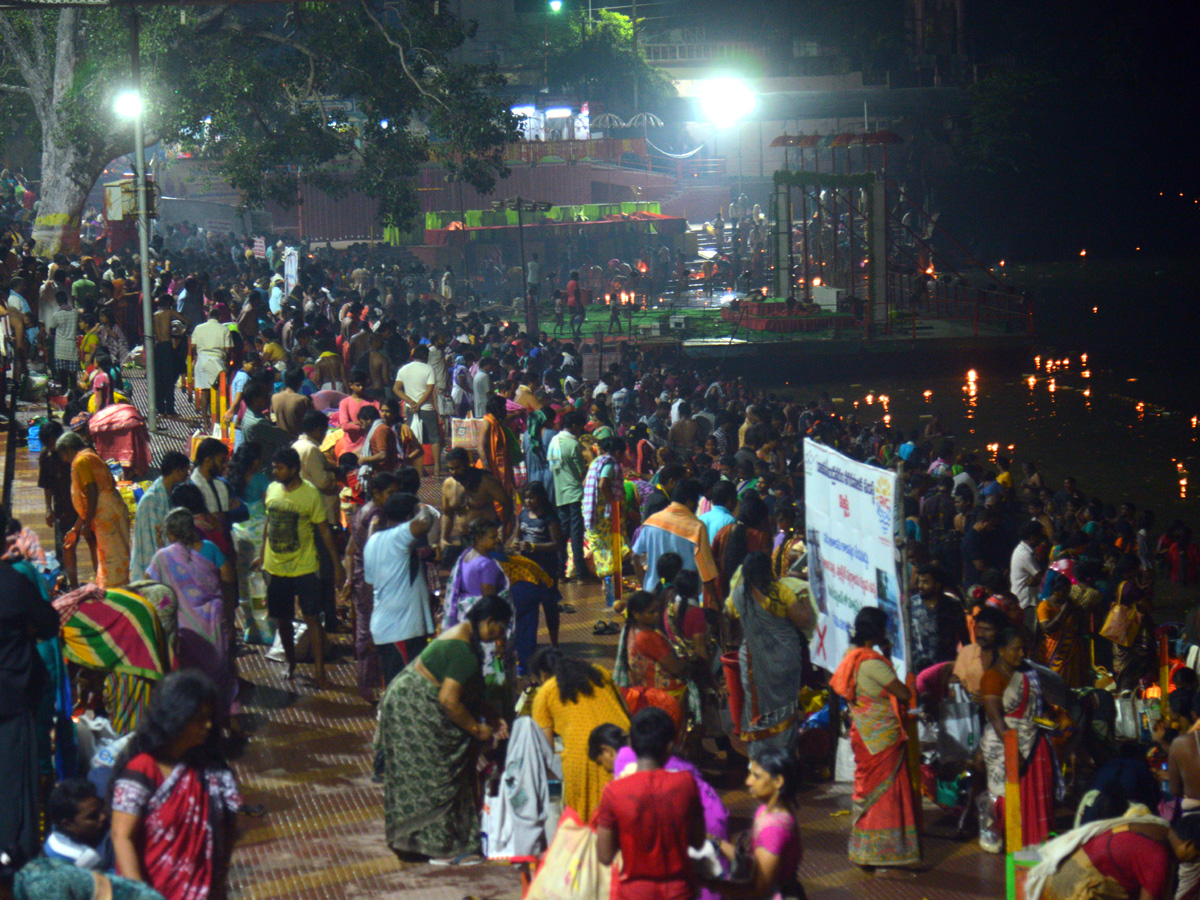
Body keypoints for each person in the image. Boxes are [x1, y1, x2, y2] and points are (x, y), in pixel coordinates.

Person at [375, 594, 512, 864]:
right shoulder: (463, 650)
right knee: (436, 773)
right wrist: (476, 729)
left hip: (411, 699)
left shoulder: (466, 637)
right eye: (501, 627)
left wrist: (491, 715)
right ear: (489, 621)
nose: (501, 635)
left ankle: (429, 842)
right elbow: (449, 700)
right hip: (412, 707)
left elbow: (466, 692)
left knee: (431, 772)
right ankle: (437, 844)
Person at [110, 670, 242, 900]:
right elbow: (122, 836)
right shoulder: (143, 770)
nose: (208, 725)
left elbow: (228, 829)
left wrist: (219, 880)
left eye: (210, 717)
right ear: (175, 717)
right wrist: (139, 893)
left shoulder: (213, 771)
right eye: (199, 719)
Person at [829, 607, 921, 875]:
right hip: (883, 739)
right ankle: (886, 852)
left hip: (863, 734)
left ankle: (864, 851)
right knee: (887, 794)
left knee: (868, 791)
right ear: (879, 632)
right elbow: (902, 692)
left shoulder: (851, 657)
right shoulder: (873, 663)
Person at [254, 447, 345, 687]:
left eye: (279, 468)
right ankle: (291, 661)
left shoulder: (311, 494)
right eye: (274, 467)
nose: (275, 472)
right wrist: (262, 554)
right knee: (282, 619)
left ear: (294, 469)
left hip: (305, 567)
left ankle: (319, 672)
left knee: (312, 617)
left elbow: (324, 530)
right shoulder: (272, 490)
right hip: (275, 568)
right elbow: (268, 523)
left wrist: (337, 565)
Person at [595, 706, 705, 900]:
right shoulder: (686, 783)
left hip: (634, 893)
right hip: (679, 890)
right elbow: (697, 841)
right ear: (670, 746)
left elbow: (604, 855)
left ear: (631, 744)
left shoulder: (614, 791)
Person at [0, 528, 60, 869]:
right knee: (13, 787)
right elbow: (47, 622)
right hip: (11, 700)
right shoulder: (11, 582)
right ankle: (13, 862)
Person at [145, 509, 239, 718]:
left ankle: (196, 717)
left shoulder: (163, 556)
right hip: (213, 621)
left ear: (171, 533)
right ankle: (226, 718)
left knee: (190, 673)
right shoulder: (210, 548)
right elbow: (229, 577)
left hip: (185, 625)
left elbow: (149, 584)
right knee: (219, 670)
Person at [976, 626, 1056, 853]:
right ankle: (1010, 838)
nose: (1022, 654)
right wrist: (1014, 751)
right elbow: (995, 717)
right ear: (1001, 650)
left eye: (1024, 649)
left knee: (1033, 798)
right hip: (1006, 745)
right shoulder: (992, 677)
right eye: (1016, 649)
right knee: (1008, 794)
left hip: (1034, 742)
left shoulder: (1027, 674)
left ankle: (1035, 840)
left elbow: (1039, 708)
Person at [726, 552, 814, 753]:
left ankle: (761, 755)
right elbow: (804, 620)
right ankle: (783, 755)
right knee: (784, 709)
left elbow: (730, 614)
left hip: (753, 660)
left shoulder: (739, 594)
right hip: (784, 660)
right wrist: (804, 596)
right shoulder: (781, 591)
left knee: (757, 708)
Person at [530, 647, 629, 822]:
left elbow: (544, 750)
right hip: (624, 745)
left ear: (543, 675)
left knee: (590, 821)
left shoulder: (545, 692)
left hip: (583, 757)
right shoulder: (598, 673)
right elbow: (625, 709)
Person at [1024, 810, 1200, 900]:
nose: (1194, 861)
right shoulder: (1158, 858)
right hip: (1073, 889)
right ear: (1189, 845)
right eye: (1197, 856)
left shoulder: (1158, 827)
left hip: (1060, 873)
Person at [364, 492, 440, 687]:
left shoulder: (373, 541)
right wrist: (421, 508)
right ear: (408, 518)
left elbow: (371, 580)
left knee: (397, 689)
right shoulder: (398, 537)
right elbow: (424, 522)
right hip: (401, 631)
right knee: (406, 691)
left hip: (390, 628)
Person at [708, 749, 804, 900]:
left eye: (756, 776)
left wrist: (710, 885)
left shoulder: (775, 829)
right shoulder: (764, 811)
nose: (748, 781)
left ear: (778, 781)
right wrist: (713, 840)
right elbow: (752, 863)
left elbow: (759, 891)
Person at [58, 430, 132, 589]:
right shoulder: (89, 454)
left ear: (67, 448)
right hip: (112, 508)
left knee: (112, 556)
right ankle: (116, 587)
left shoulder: (81, 460)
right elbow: (89, 500)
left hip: (105, 513)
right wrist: (76, 529)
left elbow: (92, 492)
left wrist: (86, 522)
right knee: (113, 553)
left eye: (62, 455)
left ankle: (114, 592)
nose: (63, 460)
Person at [439, 448, 512, 567]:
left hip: (487, 538)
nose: (454, 472)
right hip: (465, 540)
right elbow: (447, 513)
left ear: (467, 464)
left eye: (458, 468)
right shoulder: (448, 485)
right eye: (451, 468)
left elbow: (507, 503)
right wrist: (444, 538)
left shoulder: (485, 481)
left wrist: (503, 528)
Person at [129, 451, 192, 582]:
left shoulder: (167, 491)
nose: (188, 474)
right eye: (186, 470)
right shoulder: (152, 500)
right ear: (177, 472)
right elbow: (150, 540)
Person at [547, 410, 589, 581]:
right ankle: (580, 574)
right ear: (573, 426)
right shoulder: (573, 445)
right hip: (575, 494)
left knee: (563, 535)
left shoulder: (554, 441)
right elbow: (581, 470)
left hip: (560, 494)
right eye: (580, 427)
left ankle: (561, 572)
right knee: (576, 535)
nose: (581, 431)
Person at [909, 563, 969, 674]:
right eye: (919, 581)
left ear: (937, 585)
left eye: (925, 582)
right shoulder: (910, 605)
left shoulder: (953, 606)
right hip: (917, 671)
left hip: (945, 671)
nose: (920, 586)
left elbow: (964, 638)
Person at [43, 778, 114, 871]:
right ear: (68, 825)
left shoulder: (54, 837)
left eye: (101, 809)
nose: (103, 817)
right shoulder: (85, 858)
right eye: (93, 816)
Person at [393, 343, 441, 477]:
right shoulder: (428, 369)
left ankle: (416, 468)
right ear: (425, 356)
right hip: (427, 408)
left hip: (410, 409)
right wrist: (419, 403)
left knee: (413, 439)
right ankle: (437, 469)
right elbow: (430, 389)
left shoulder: (403, 369)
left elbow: (396, 388)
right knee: (434, 438)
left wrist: (410, 402)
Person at [1037, 568, 1088, 688]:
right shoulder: (1045, 606)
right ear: (1055, 591)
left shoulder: (1071, 605)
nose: (1067, 595)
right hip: (1053, 654)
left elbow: (1080, 627)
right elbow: (1046, 629)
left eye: (1068, 591)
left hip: (1071, 654)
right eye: (1064, 592)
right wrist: (1062, 613)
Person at [191, 308, 232, 423]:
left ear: (208, 317)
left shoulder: (198, 328)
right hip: (218, 361)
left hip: (202, 361)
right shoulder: (224, 329)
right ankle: (218, 421)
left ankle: (205, 421)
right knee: (219, 391)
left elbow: (193, 347)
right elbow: (228, 350)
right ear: (219, 317)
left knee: (204, 392)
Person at [477, 394, 515, 494]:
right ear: (498, 409)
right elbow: (481, 446)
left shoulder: (497, 423)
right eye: (503, 408)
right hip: (491, 468)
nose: (505, 411)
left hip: (500, 468)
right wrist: (487, 469)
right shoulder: (487, 422)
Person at [271, 367, 313, 439]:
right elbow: (312, 422)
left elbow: (272, 415)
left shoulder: (274, 397)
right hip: (298, 440)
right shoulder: (303, 400)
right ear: (300, 382)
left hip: (281, 439)